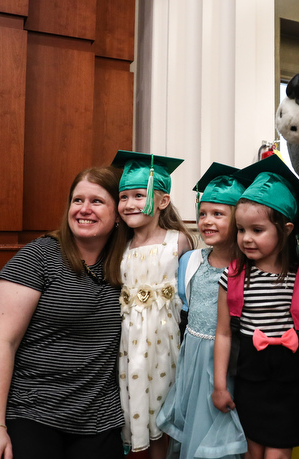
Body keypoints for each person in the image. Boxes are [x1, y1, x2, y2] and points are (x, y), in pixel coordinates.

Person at [0, 166, 128, 459]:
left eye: (97, 201)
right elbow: (2, 343)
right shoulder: (38, 257)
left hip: (96, 414)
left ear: (119, 214)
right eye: (77, 200)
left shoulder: (129, 263)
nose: (84, 209)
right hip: (26, 407)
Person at [213, 161, 299, 459]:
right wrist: (220, 385)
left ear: (286, 230)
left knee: (278, 453)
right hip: (250, 376)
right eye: (241, 230)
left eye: (257, 230)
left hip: (289, 377)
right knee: (252, 451)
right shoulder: (234, 275)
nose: (246, 238)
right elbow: (224, 333)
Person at [156, 163, 248, 459]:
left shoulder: (247, 268)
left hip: (227, 363)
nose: (207, 221)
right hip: (192, 361)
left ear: (239, 219)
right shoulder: (191, 261)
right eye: (204, 213)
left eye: (218, 214)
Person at [111, 150, 195, 458]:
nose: (129, 204)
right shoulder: (120, 245)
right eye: (123, 197)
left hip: (163, 344)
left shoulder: (178, 242)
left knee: (160, 409)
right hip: (126, 343)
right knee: (131, 408)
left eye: (138, 195)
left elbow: (189, 300)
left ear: (162, 201)